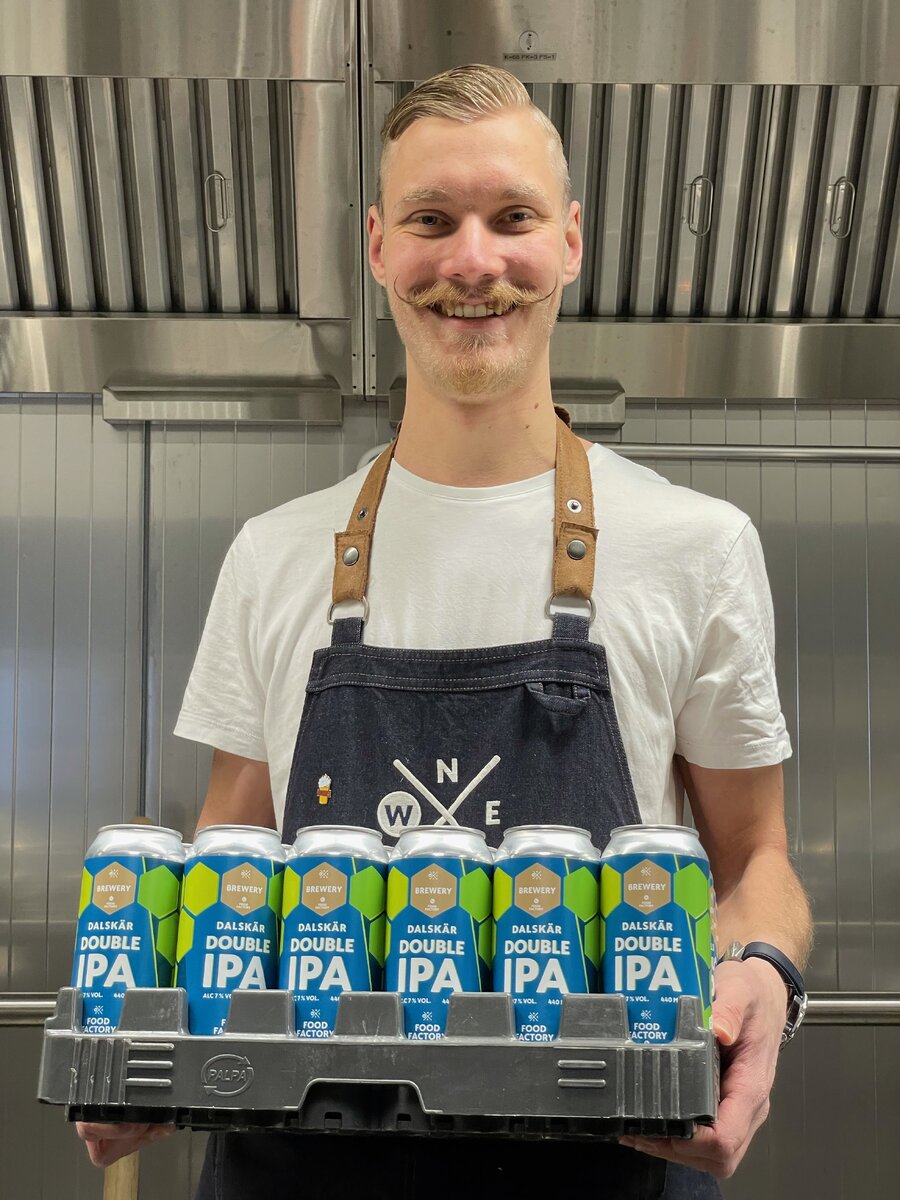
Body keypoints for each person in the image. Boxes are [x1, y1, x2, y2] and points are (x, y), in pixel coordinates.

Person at [78, 65, 813, 1198]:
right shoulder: (274, 555)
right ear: (379, 247)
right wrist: (146, 1033)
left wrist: (765, 971)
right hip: (298, 1172)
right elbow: (231, 853)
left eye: (513, 217)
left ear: (570, 242)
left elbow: (757, 857)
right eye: (431, 220)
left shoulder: (696, 545)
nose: (473, 261)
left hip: (605, 1170)